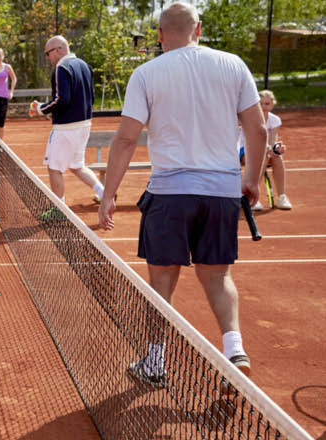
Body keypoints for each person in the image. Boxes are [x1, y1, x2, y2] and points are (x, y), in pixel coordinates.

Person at [97, 2, 266, 388]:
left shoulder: (146, 73)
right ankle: (235, 350)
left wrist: (109, 194)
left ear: (159, 34)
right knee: (218, 275)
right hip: (222, 192)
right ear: (199, 29)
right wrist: (252, 179)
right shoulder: (233, 65)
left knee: (161, 279)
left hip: (170, 194)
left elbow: (126, 138)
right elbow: (257, 130)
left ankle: (155, 362)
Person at [31, 36, 106, 206]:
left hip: (66, 128)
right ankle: (103, 192)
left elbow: (62, 99)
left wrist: (40, 109)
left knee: (54, 168)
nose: (48, 57)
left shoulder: (62, 67)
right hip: (85, 124)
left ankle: (59, 209)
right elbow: (91, 96)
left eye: (48, 53)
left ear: (58, 50)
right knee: (77, 165)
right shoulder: (84, 65)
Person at [245, 89, 292, 211]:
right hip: (243, 151)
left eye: (267, 104)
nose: (264, 107)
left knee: (277, 157)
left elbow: (272, 142)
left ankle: (282, 196)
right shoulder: (249, 118)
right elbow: (247, 142)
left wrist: (276, 149)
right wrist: (265, 149)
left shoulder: (275, 120)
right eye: (260, 104)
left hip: (263, 151)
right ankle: (252, 196)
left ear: (273, 104)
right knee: (264, 155)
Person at [0, 48, 17, 140]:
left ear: (3, 56)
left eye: (0, 56)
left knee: (1, 123)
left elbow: (14, 78)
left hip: (4, 97)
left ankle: (0, 145)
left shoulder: (7, 67)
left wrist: (11, 91)